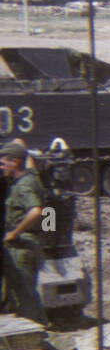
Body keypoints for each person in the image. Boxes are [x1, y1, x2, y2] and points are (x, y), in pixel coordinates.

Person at [1, 139, 49, 325]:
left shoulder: (23, 186)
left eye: (4, 161)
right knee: (28, 293)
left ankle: (38, 335)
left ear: (15, 162)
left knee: (22, 298)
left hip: (21, 247)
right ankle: (42, 328)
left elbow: (36, 211)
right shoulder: (33, 176)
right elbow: (20, 146)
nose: (1, 165)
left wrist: (13, 233)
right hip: (32, 244)